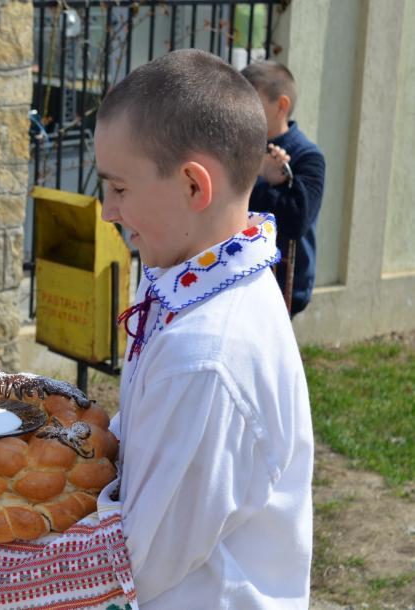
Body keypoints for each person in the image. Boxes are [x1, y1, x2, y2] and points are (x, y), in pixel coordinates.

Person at [94, 49, 313, 607]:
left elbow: (137, 559)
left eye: (118, 188)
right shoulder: (181, 277)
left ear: (194, 186)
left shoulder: (207, 356)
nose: (107, 211)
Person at [242, 60, 326, 316]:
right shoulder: (237, 148)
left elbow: (295, 220)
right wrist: (262, 174)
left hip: (283, 284)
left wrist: (258, 180)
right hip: (239, 275)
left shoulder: (307, 157)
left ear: (281, 106)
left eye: (252, 103)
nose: (243, 111)